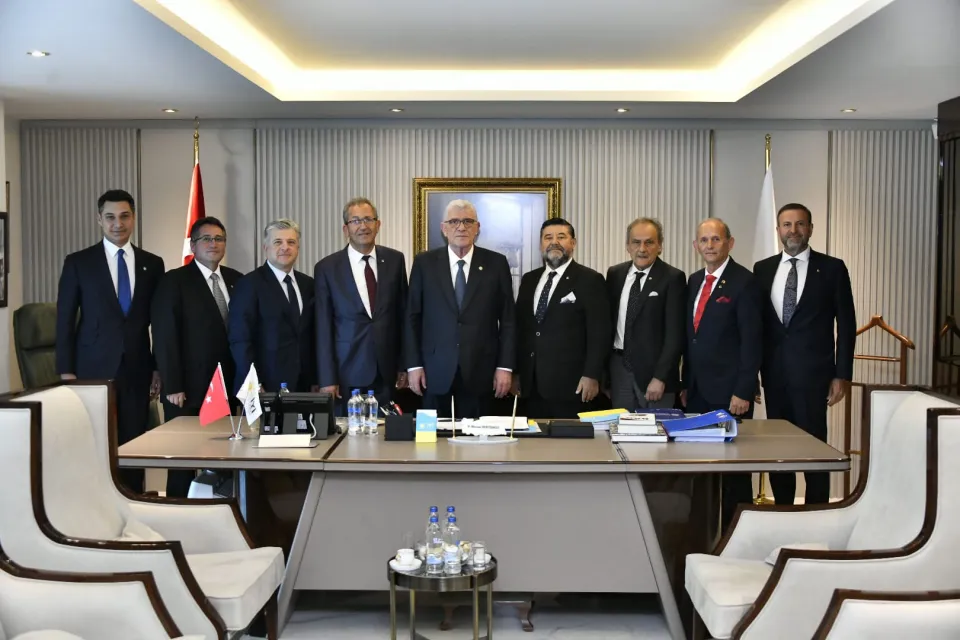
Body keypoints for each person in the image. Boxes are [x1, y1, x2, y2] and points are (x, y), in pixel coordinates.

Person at [55, 189, 164, 493]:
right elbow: (64, 320)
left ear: (134, 218)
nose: (118, 224)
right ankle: (94, 501)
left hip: (137, 368)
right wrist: (66, 371)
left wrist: (158, 367)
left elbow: (160, 322)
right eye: (110, 217)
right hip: (91, 369)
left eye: (124, 216)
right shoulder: (79, 262)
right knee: (93, 442)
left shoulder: (152, 264)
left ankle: (133, 500)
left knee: (133, 443)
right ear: (99, 219)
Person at [754, 203, 856, 505]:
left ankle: (816, 511)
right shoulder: (762, 269)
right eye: (787, 224)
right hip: (774, 375)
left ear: (810, 228)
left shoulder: (833, 268)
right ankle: (783, 510)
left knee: (814, 449)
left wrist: (842, 374)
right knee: (778, 450)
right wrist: (750, 374)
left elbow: (846, 325)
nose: (793, 230)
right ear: (778, 230)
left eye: (800, 224)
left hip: (814, 377)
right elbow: (755, 326)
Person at [151, 216, 242, 497]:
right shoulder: (174, 281)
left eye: (219, 239)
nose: (213, 244)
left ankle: (218, 507)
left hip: (227, 386)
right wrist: (173, 384)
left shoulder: (237, 280)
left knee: (223, 457)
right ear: (193, 245)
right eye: (206, 239)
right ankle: (178, 510)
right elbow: (165, 335)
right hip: (187, 389)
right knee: (182, 460)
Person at [681, 218, 762, 529]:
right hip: (697, 391)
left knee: (733, 472)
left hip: (730, 394)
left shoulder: (745, 282)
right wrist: (685, 383)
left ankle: (737, 532)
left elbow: (752, 341)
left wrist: (743, 389)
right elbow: (692, 339)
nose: (710, 245)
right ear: (695, 246)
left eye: (716, 239)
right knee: (699, 465)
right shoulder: (693, 281)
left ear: (730, 243)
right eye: (704, 240)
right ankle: (703, 530)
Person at [405, 199, 516, 418]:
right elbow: (411, 318)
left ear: (477, 227)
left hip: (481, 371)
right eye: (454, 221)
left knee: (479, 438)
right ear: (443, 228)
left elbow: (508, 320)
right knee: (432, 438)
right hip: (433, 371)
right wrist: (413, 365)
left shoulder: (496, 263)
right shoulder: (424, 263)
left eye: (468, 221)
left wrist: (505, 367)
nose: (461, 227)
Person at [315, 198, 408, 413]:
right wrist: (327, 378)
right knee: (349, 432)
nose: (363, 226)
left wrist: (404, 364)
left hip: (386, 371)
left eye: (368, 219)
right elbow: (323, 327)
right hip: (346, 373)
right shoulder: (327, 268)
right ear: (345, 229)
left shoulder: (395, 260)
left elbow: (403, 316)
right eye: (356, 221)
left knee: (386, 431)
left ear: (378, 224)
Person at [514, 218, 610, 418]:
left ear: (573, 243)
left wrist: (592, 375)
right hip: (530, 386)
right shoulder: (529, 280)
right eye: (548, 237)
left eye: (561, 237)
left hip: (571, 386)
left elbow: (599, 333)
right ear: (541, 244)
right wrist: (516, 373)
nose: (554, 242)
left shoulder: (590, 280)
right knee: (533, 437)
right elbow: (520, 329)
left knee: (567, 438)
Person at [607, 218, 685, 411]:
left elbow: (675, 336)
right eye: (636, 242)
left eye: (649, 242)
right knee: (621, 426)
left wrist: (660, 377)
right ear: (627, 246)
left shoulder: (673, 278)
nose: (642, 249)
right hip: (619, 371)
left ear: (660, 246)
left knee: (657, 428)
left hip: (655, 376)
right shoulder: (615, 274)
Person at [229, 219, 316, 393]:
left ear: (298, 248)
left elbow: (313, 336)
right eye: (278, 242)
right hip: (264, 385)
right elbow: (240, 339)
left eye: (291, 242)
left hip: (305, 386)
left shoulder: (309, 284)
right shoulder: (248, 284)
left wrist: (316, 379)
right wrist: (253, 382)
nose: (285, 247)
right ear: (265, 247)